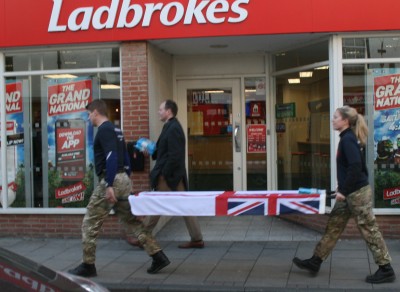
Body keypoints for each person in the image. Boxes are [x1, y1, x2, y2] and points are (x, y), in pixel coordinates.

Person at [292, 106, 395, 284]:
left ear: (345, 121)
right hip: (350, 193)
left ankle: (386, 269)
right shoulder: (347, 138)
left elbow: (356, 167)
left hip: (356, 194)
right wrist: (343, 190)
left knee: (369, 230)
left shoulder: (348, 140)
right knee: (334, 226)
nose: (332, 120)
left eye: (335, 117)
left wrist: (344, 191)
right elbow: (356, 168)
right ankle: (315, 261)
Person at [68, 100, 170, 277]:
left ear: (95, 113)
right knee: (132, 221)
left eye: (88, 114)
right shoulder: (116, 130)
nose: (88, 117)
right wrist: (126, 178)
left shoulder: (105, 130)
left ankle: (88, 265)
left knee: (90, 222)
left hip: (111, 180)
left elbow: (111, 156)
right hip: (122, 178)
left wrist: (109, 185)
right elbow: (126, 158)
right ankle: (158, 255)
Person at [137, 100, 204, 249]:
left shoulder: (173, 128)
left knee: (157, 204)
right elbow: (165, 152)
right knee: (184, 206)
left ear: (168, 111)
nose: (158, 112)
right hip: (174, 176)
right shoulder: (170, 126)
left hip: (170, 176)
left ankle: (143, 237)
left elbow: (175, 155)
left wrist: (163, 174)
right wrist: (151, 151)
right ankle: (197, 238)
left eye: (161, 109)